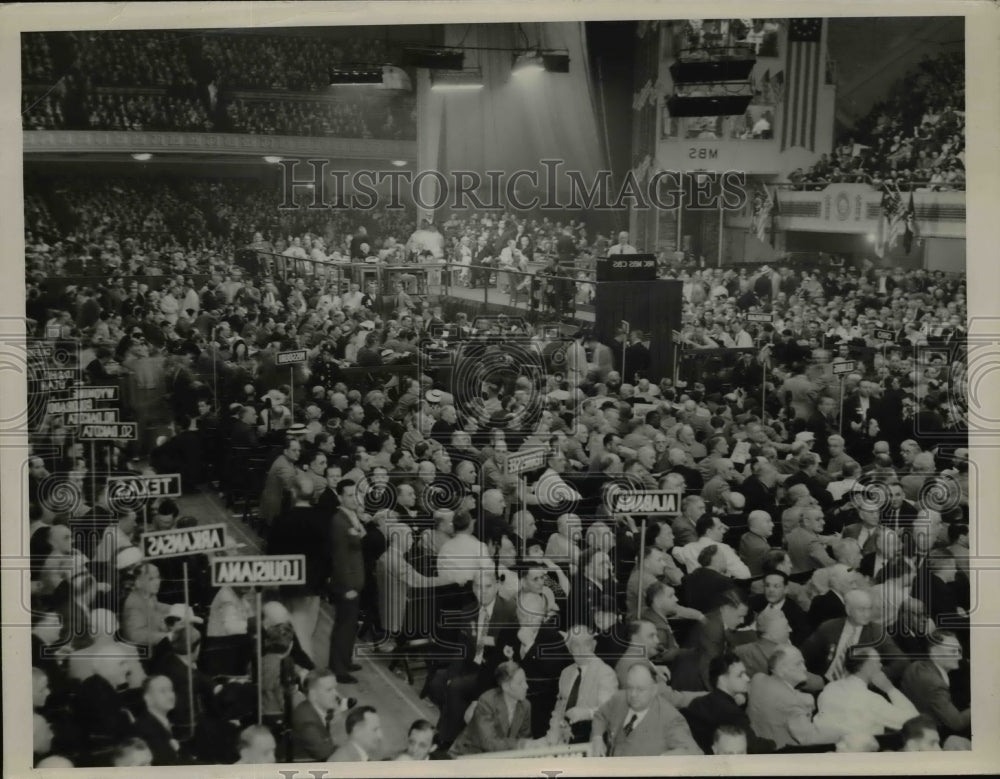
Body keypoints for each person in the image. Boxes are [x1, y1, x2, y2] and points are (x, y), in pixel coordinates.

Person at [590, 662, 702, 757]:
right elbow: (600, 715)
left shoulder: (670, 719)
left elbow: (694, 753)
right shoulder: (620, 699)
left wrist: (663, 760)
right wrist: (597, 737)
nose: (633, 694)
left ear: (654, 690)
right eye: (630, 687)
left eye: (640, 689)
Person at [449, 661, 557, 756]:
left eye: (525, 681)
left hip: (498, 758)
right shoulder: (487, 701)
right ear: (505, 686)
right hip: (468, 755)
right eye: (520, 682)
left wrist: (532, 746)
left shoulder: (525, 705)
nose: (526, 686)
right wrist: (522, 744)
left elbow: (525, 738)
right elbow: (489, 743)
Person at [746, 646, 841, 750]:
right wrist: (843, 732)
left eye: (803, 663)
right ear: (781, 670)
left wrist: (798, 696)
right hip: (780, 753)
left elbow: (779, 696)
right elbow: (809, 737)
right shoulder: (792, 702)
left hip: (754, 746)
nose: (804, 669)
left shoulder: (757, 679)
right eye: (798, 664)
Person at [813, 647, 918, 739]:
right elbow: (914, 722)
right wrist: (890, 689)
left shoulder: (829, 689)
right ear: (868, 667)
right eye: (878, 662)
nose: (881, 666)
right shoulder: (872, 700)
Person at [683, 653, 776, 754]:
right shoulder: (731, 712)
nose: (747, 679)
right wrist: (773, 744)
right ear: (723, 680)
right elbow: (752, 746)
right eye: (740, 675)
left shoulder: (697, 702)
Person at [546, 625, 619, 745]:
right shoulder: (566, 673)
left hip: (592, 739)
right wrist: (554, 731)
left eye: (586, 644)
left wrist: (586, 713)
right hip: (564, 739)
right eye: (576, 645)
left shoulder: (605, 672)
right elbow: (559, 709)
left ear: (593, 646)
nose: (582, 650)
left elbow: (608, 711)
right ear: (569, 649)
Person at [328, 479, 366, 684]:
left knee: (349, 626)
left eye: (356, 494)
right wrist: (347, 587)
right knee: (344, 626)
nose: (354, 499)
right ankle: (338, 668)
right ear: (340, 497)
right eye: (350, 495)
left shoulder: (350, 517)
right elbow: (340, 559)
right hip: (347, 584)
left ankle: (345, 660)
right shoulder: (339, 522)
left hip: (355, 581)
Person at [900, 630, 970, 737]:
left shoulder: (916, 666)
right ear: (934, 653)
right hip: (930, 734)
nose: (959, 656)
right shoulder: (935, 684)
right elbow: (957, 723)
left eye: (959, 651)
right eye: (952, 651)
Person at [291, 668, 343, 762]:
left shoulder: (313, 707)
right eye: (329, 690)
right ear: (313, 695)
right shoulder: (307, 724)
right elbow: (327, 755)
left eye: (335, 688)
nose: (336, 694)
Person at [133, 675, 182, 766]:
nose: (170, 695)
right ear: (148, 698)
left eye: (171, 690)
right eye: (163, 691)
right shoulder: (145, 729)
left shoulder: (167, 720)